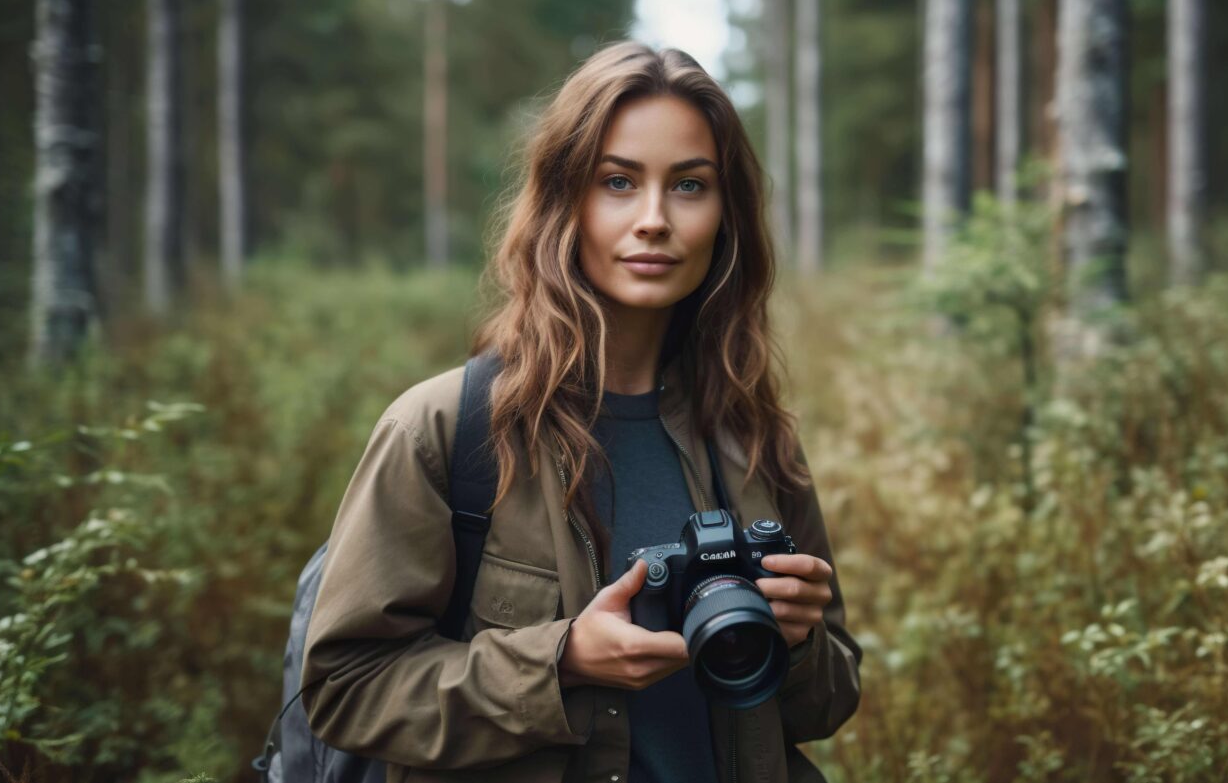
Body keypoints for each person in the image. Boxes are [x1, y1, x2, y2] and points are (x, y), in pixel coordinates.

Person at [301, 41, 861, 783]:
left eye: (690, 185)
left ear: (727, 215)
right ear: (566, 199)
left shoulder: (753, 437)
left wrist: (795, 641)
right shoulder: (444, 431)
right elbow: (344, 688)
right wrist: (558, 663)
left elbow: (828, 700)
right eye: (618, 181)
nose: (655, 219)